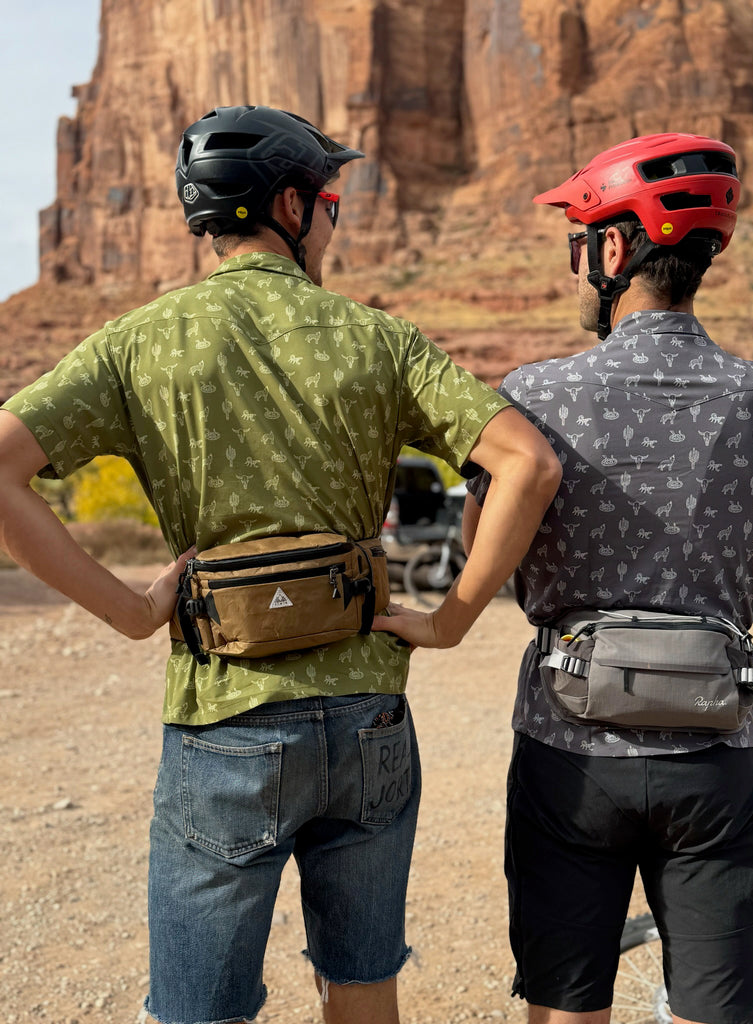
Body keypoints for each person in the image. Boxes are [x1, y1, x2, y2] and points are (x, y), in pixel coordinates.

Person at [0, 105, 562, 1024]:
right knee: (361, 983)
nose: (335, 220)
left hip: (226, 714)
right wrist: (452, 620)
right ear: (292, 207)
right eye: (330, 200)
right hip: (371, 714)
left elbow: (2, 465)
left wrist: (130, 610)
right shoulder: (380, 338)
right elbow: (527, 463)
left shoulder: (138, 341)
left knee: (199, 1009)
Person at [462, 133, 753, 1024]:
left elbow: (488, 549)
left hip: (570, 754)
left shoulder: (536, 396)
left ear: (611, 250)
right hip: (718, 756)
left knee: (564, 1007)